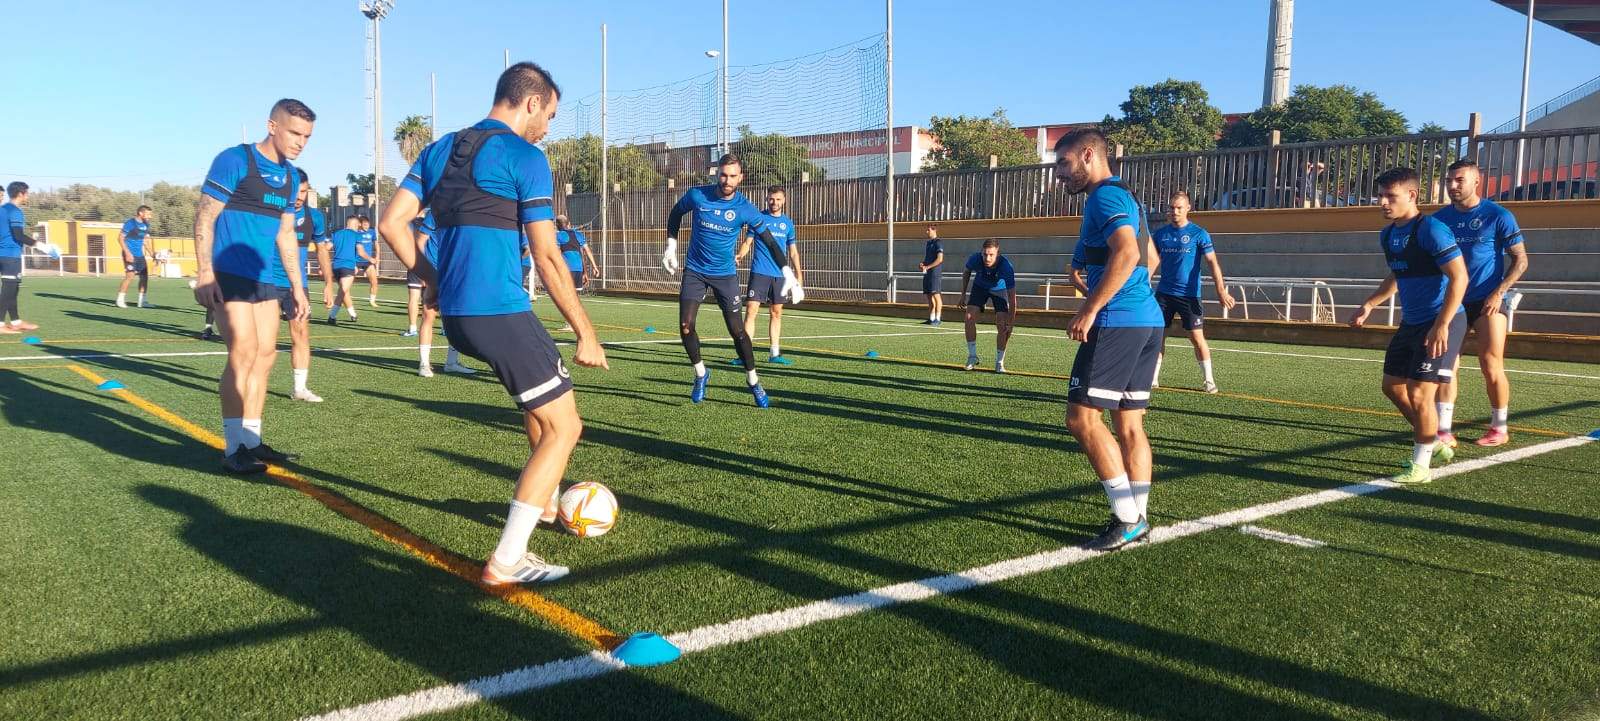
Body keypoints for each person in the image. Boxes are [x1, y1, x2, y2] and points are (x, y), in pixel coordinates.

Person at [379, 61, 606, 585]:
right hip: (499, 310)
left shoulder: (440, 149)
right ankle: (507, 561)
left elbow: (392, 223)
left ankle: (547, 503)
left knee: (540, 405)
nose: (547, 127)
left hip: (459, 317)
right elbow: (548, 257)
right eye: (548, 114)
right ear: (530, 103)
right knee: (566, 426)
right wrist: (585, 332)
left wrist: (431, 279)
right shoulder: (526, 157)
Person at [1053, 127, 1165, 552]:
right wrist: (1127, 294)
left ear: (1087, 156)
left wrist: (1092, 307)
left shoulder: (1105, 196)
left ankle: (1127, 520)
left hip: (1119, 322)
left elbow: (1130, 255)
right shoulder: (1126, 196)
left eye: (1063, 164)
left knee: (1081, 419)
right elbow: (1150, 258)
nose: (1059, 174)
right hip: (1144, 319)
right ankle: (1137, 516)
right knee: (1129, 424)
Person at [190, 98, 315, 473]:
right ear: (272, 125)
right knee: (243, 351)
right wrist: (204, 272)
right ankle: (232, 449)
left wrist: (296, 286)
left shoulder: (292, 177)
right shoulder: (235, 160)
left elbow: (286, 233)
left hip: (265, 278)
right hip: (229, 272)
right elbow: (205, 216)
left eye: (307, 136)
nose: (300, 142)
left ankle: (252, 441)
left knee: (265, 355)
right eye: (294, 132)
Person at [1349, 167, 1469, 485]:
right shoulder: (1388, 234)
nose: (1383, 202)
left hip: (1444, 320)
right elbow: (1397, 275)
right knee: (1392, 386)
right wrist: (1371, 303)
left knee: (1419, 393)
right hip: (1412, 322)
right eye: (1380, 196)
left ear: (1412, 196)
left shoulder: (1431, 230)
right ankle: (1435, 440)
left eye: (1391, 196)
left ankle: (1421, 466)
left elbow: (1460, 277)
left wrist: (1442, 325)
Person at [662, 153, 802, 406]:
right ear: (717, 174)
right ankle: (701, 374)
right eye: (723, 175)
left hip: (725, 275)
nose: (727, 180)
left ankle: (753, 381)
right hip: (695, 270)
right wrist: (671, 246)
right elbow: (675, 213)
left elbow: (770, 241)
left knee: (738, 331)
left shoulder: (745, 209)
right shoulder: (697, 195)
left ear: (741, 178)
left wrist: (788, 272)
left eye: (733, 176)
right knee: (685, 325)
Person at [1431, 160, 1528, 448]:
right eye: (1449, 180)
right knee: (1446, 367)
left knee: (1490, 364)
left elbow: (1520, 259)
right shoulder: (1438, 220)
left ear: (1477, 181)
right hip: (1452, 303)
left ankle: (1499, 427)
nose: (1452, 186)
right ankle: (1443, 430)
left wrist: (1499, 292)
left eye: (1459, 180)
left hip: (1488, 302)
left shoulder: (1497, 215)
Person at [1148, 190, 1236, 393]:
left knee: (1196, 337)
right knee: (1157, 335)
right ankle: (1152, 378)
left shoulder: (1199, 234)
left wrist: (1221, 291)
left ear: (1188, 208)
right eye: (1172, 208)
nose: (1175, 211)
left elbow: (1213, 262)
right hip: (1164, 295)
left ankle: (1209, 381)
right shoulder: (1160, 235)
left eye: (1179, 208)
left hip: (1189, 296)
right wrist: (1143, 284)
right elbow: (1152, 262)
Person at [735, 186, 801, 365]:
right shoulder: (759, 219)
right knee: (751, 311)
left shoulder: (788, 223)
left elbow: (793, 252)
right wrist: (741, 254)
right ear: (767, 199)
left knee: (776, 312)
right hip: (759, 272)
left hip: (780, 276)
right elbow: (747, 242)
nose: (774, 202)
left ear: (784, 201)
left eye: (778, 199)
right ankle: (744, 355)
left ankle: (774, 354)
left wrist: (798, 276)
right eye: (771, 199)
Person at [408, 209, 475, 377]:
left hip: (455, 272)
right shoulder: (436, 212)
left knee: (456, 320)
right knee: (428, 315)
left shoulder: (468, 212)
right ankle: (424, 364)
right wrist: (423, 271)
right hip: (435, 271)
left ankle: (451, 362)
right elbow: (420, 241)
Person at [280, 169, 329, 402]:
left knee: (300, 333)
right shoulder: (273, 212)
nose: (300, 196)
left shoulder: (315, 217)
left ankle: (300, 388)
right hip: (267, 281)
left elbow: (321, 250)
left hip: (298, 286)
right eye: (296, 191)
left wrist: (329, 283)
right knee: (259, 338)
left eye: (304, 191)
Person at [959, 239, 1016, 373]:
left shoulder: (1006, 267)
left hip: (999, 290)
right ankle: (972, 357)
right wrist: (963, 295)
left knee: (1002, 324)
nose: (987, 258)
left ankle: (999, 362)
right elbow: (966, 272)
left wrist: (1011, 321)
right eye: (985, 254)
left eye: (991, 255)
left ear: (998, 254)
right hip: (980, 287)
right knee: (968, 317)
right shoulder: (975, 259)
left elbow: (1013, 299)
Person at [1, 182, 42, 333]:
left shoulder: (2, 209)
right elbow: (18, 235)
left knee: (13, 288)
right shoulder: (15, 211)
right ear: (20, 194)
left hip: (3, 254)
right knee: (8, 290)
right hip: (10, 255)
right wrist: (42, 246)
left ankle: (16, 321)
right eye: (27, 193)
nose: (28, 196)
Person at [116, 205, 155, 308]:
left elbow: (145, 241)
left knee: (144, 277)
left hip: (140, 255)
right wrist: (127, 253)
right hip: (129, 253)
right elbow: (120, 238)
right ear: (140, 213)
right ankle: (120, 300)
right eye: (148, 214)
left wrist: (152, 254)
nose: (150, 216)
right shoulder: (130, 223)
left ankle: (142, 301)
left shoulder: (146, 224)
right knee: (130, 276)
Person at [326, 216, 362, 324]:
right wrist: (371, 259)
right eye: (358, 225)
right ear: (355, 225)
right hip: (347, 266)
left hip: (336, 267)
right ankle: (332, 316)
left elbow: (326, 248)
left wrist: (322, 264)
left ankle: (353, 314)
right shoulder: (356, 235)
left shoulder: (336, 234)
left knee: (344, 291)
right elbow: (360, 252)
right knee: (342, 291)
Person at [556, 214, 599, 293]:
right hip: (578, 270)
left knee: (564, 296)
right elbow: (586, 252)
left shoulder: (558, 236)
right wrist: (594, 267)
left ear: (557, 225)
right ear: (569, 223)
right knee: (574, 297)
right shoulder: (578, 235)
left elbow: (557, 254)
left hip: (566, 270)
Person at [919, 225, 944, 325]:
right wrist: (923, 264)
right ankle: (931, 318)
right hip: (927, 273)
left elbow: (940, 259)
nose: (926, 232)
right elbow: (927, 259)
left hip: (935, 273)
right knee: (929, 296)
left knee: (936, 295)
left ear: (934, 230)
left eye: (928, 230)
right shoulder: (929, 243)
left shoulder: (938, 242)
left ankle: (938, 318)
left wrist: (928, 267)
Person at [357, 215, 380, 307]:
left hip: (368, 261)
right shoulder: (356, 233)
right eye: (365, 224)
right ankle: (343, 298)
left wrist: (377, 256)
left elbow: (376, 244)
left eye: (368, 224)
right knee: (348, 282)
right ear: (360, 224)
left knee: (374, 282)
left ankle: (372, 301)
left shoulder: (372, 232)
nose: (367, 226)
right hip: (356, 260)